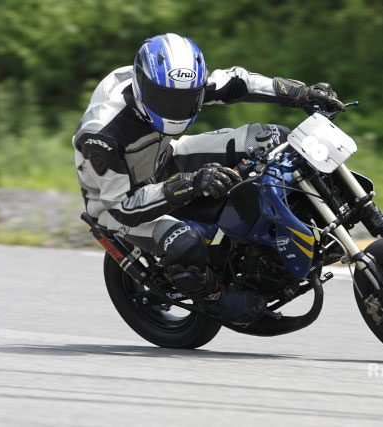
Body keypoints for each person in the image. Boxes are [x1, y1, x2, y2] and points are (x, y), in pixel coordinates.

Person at [73, 33, 343, 323]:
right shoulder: (101, 134)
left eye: (185, 99)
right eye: (164, 98)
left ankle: (318, 219)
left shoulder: (181, 83)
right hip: (115, 201)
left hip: (164, 158)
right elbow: (122, 207)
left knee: (273, 138)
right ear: (142, 85)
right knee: (184, 243)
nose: (174, 107)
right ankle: (216, 299)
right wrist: (189, 184)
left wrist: (301, 94)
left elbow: (239, 82)